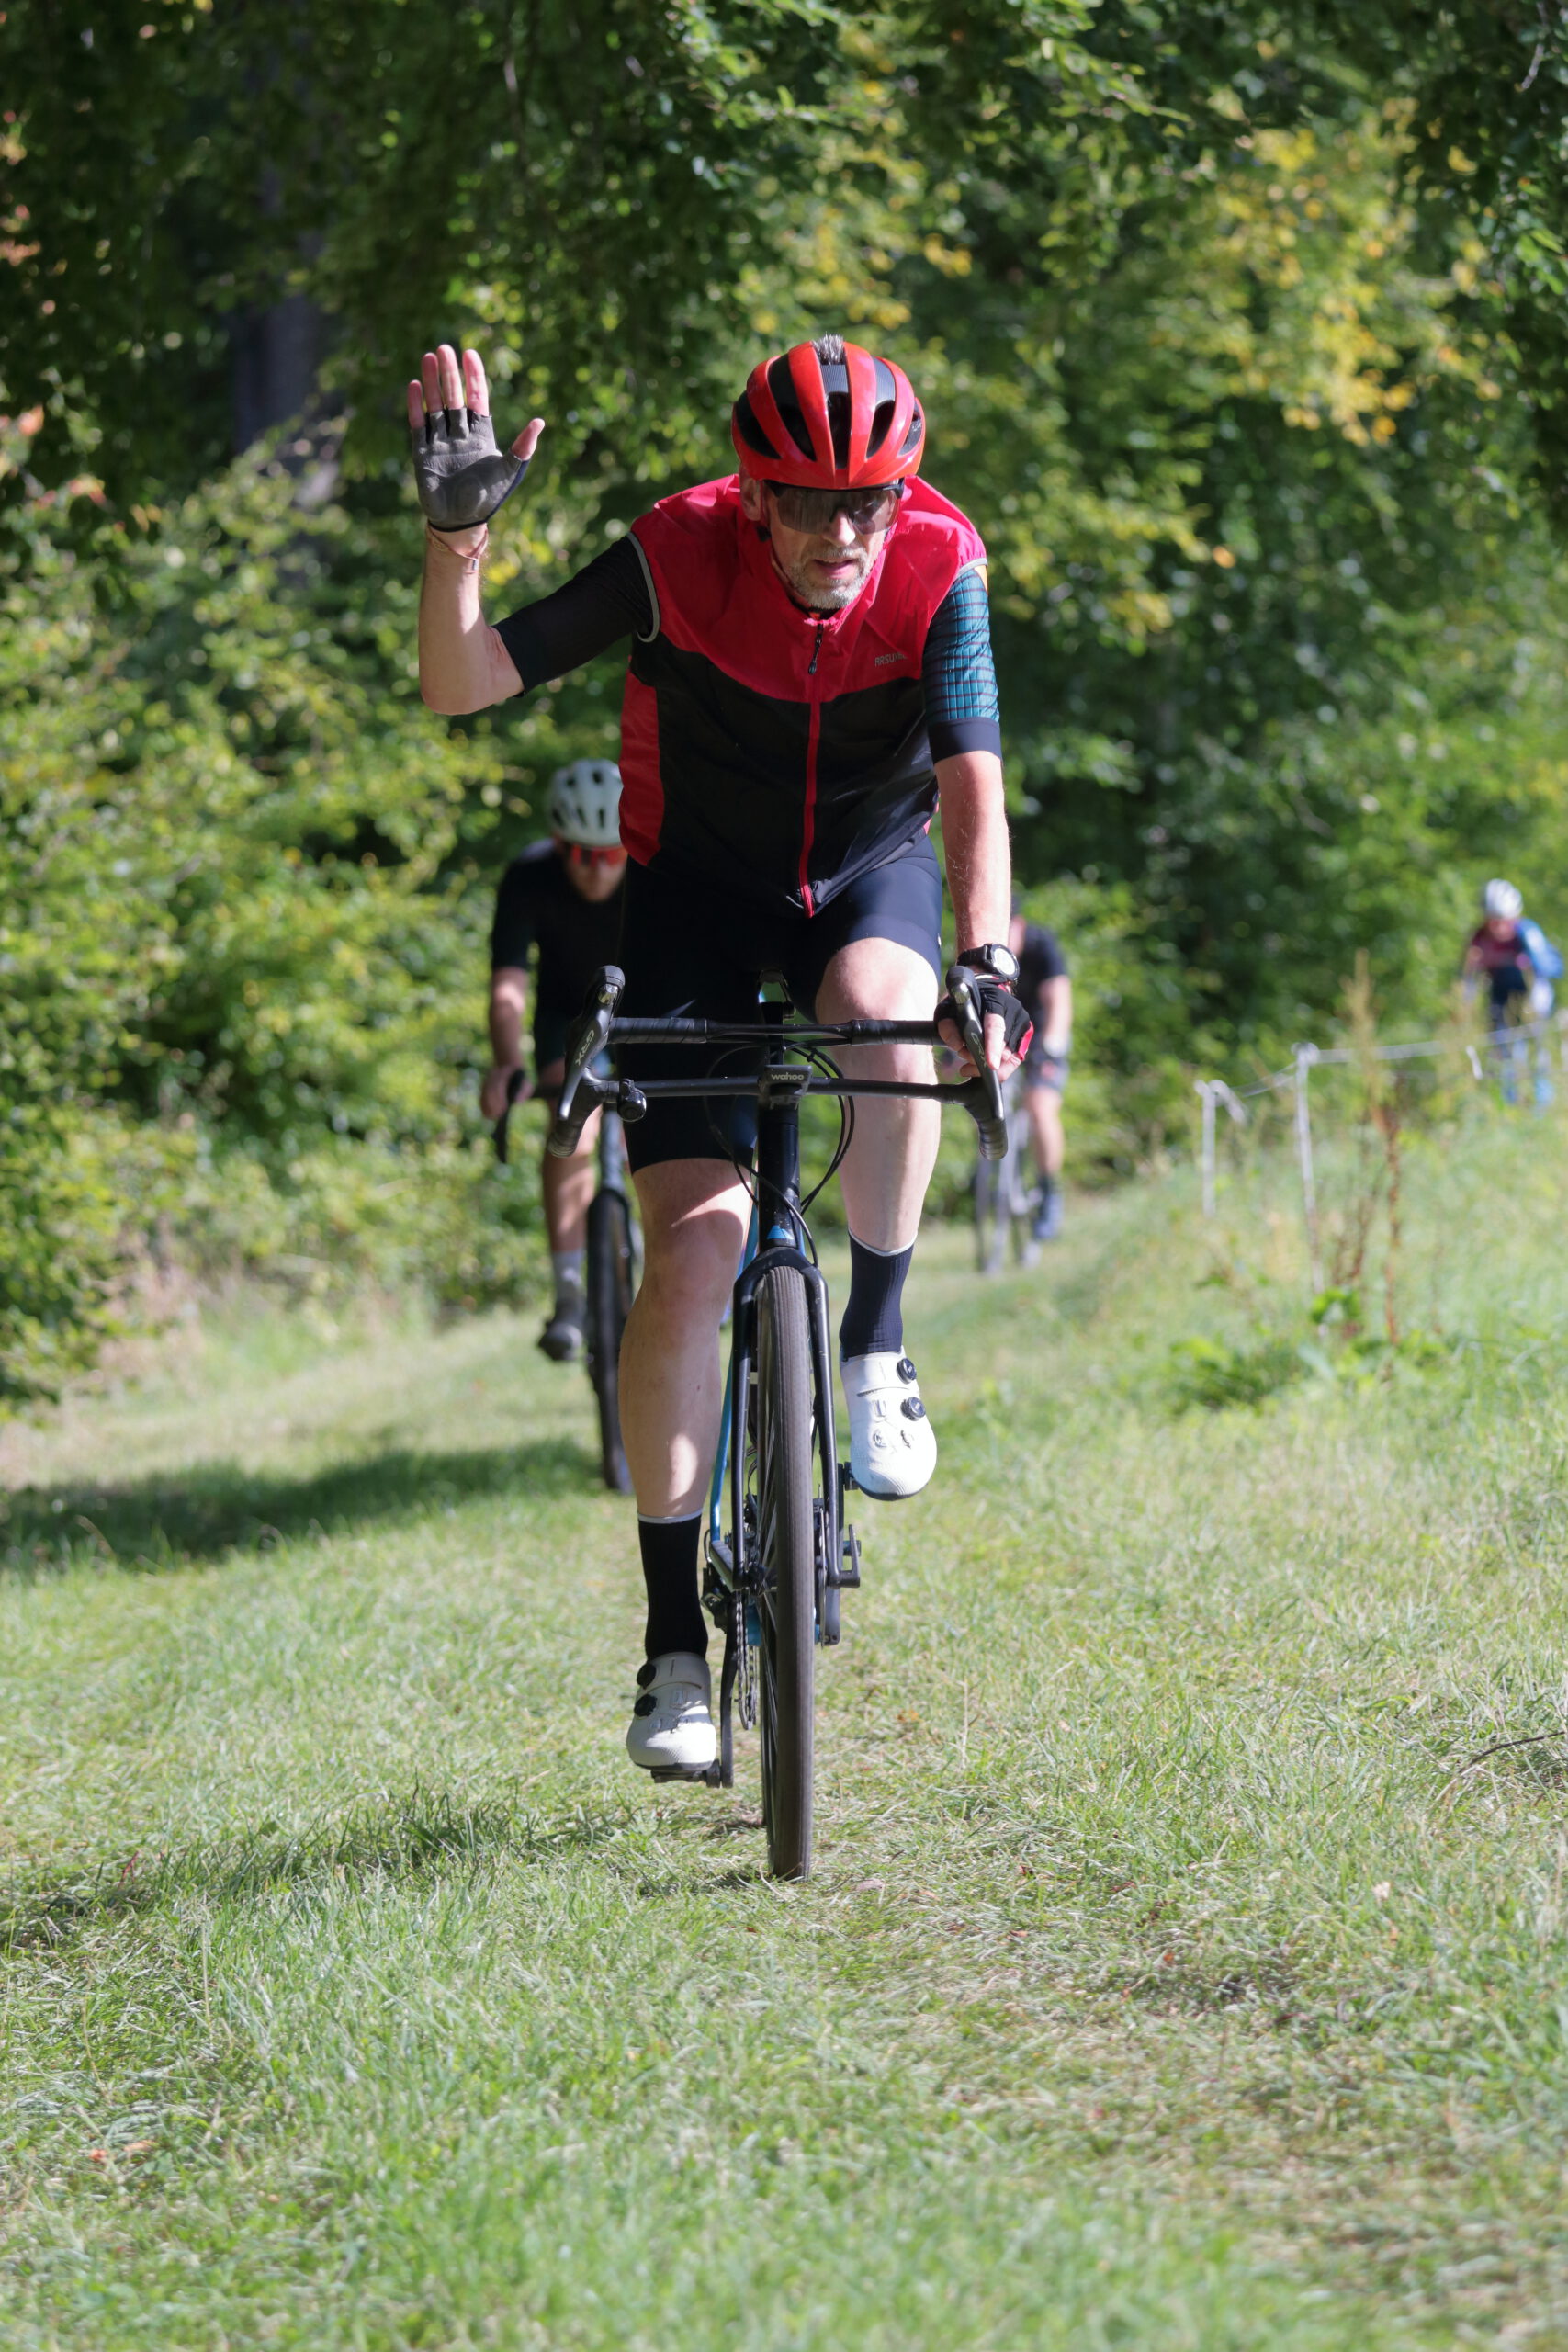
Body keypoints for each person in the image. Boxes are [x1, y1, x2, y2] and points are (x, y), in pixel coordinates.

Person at [409, 334, 1030, 1777]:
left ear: (898, 495)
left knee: (885, 1012)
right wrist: (455, 548)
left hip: (864, 873)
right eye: (806, 501)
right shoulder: (672, 555)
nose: (840, 532)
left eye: (865, 500)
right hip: (689, 890)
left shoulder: (940, 563)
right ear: (750, 495)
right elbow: (461, 683)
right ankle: (671, 1649)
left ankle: (873, 1340)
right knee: (691, 1253)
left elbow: (971, 788)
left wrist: (986, 965)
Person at [481, 760, 628, 1361]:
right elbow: (508, 986)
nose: (596, 871)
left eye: (610, 855)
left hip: (648, 1013)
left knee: (660, 1131)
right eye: (581, 855)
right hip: (566, 1020)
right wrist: (506, 1062)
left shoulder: (656, 871)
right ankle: (569, 1293)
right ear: (558, 844)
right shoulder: (529, 876)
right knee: (573, 1126)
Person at [1009, 905, 1072, 1241]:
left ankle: (1049, 1191)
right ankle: (987, 1162)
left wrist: (1051, 1049)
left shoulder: (1041, 947)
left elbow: (1058, 1003)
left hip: (1044, 1035)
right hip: (1006, 1035)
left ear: (1019, 925)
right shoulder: (982, 948)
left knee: (1041, 1107)